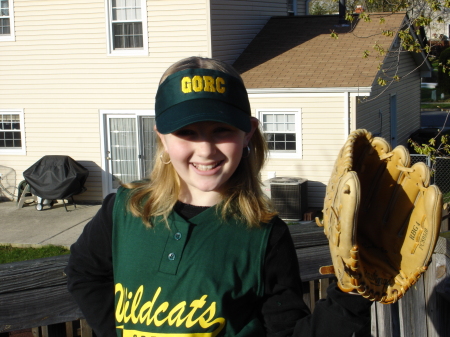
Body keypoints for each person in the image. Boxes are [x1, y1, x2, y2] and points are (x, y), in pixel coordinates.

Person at [65, 56, 373, 337]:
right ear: (161, 135)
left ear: (248, 132)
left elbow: (286, 331)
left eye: (221, 130)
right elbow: (83, 272)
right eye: (187, 132)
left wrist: (350, 297)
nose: (206, 150)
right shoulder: (123, 210)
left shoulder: (265, 235)